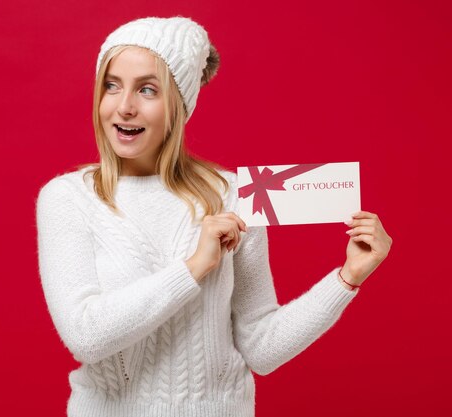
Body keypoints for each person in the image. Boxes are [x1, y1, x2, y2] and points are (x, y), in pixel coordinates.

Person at [35, 16, 392, 417]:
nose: (124, 106)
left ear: (179, 104)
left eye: (147, 89)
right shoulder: (68, 199)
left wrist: (347, 278)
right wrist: (193, 267)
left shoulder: (232, 195)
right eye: (111, 85)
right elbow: (86, 336)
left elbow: (261, 346)